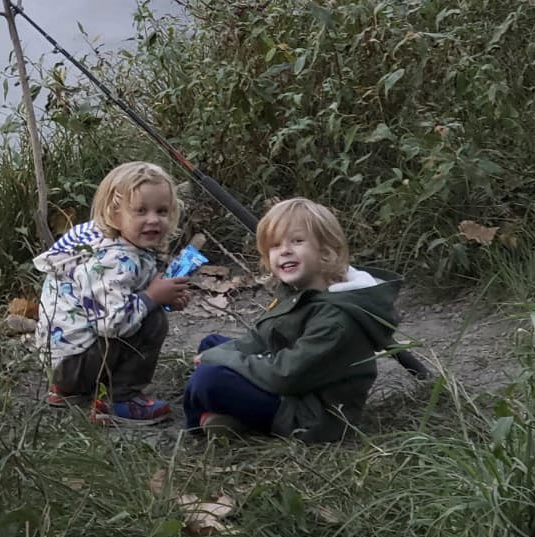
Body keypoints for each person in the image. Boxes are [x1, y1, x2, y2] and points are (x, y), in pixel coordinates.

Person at [183, 197, 401, 443]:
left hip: (309, 415)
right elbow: (260, 338)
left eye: (297, 241)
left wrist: (220, 360)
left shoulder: (337, 319)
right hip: (290, 384)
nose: (285, 250)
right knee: (212, 344)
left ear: (326, 251)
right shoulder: (301, 291)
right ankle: (229, 418)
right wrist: (220, 354)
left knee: (208, 379)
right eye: (275, 246)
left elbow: (285, 375)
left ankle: (197, 427)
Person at [33, 160, 190, 427]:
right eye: (140, 211)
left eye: (161, 211)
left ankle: (67, 390)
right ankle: (120, 400)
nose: (153, 219)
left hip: (62, 360)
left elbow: (121, 293)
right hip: (73, 364)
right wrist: (153, 298)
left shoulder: (97, 235)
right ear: (115, 215)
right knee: (153, 322)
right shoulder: (112, 260)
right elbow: (112, 324)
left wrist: (164, 297)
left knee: (147, 310)